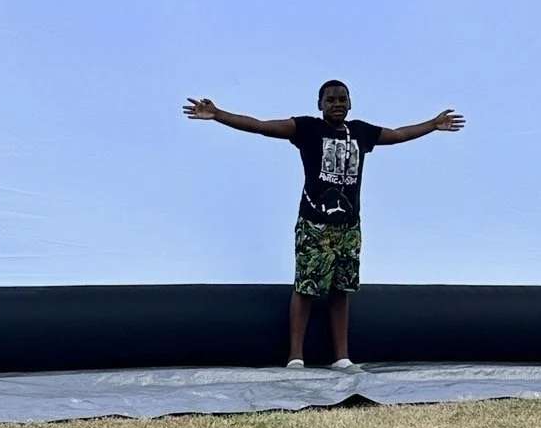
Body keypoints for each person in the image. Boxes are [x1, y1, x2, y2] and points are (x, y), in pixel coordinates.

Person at [182, 80, 465, 370]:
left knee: (340, 289)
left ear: (351, 103)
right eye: (330, 99)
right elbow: (261, 125)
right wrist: (218, 114)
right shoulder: (307, 129)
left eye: (343, 98)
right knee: (305, 287)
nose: (337, 104)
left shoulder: (361, 132)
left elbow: (397, 134)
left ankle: (341, 356)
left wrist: (433, 124)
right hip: (313, 224)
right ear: (320, 105)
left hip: (348, 227)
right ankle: (295, 355)